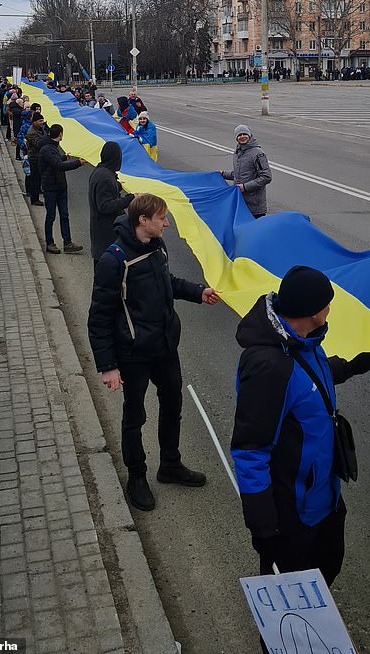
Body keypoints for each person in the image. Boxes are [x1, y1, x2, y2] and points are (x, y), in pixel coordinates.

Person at [231, 266, 370, 588]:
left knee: (326, 569)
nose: (330, 308)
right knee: (290, 600)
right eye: (327, 303)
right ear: (312, 312)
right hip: (292, 514)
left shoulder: (303, 341)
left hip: (323, 497)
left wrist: (351, 367)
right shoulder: (269, 368)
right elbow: (249, 451)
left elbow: (310, 377)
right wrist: (263, 527)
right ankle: (280, 640)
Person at [87, 194, 220, 512]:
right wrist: (107, 365)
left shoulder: (158, 246)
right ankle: (137, 477)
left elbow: (167, 282)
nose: (167, 222)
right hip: (133, 353)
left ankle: (170, 465)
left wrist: (197, 292)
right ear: (142, 221)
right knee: (135, 416)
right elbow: (99, 317)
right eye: (162, 217)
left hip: (164, 345)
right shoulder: (114, 259)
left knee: (173, 404)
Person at [38, 124, 87, 254]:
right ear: (60, 134)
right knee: (51, 216)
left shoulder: (52, 147)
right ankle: (50, 243)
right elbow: (57, 165)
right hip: (50, 188)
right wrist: (78, 163)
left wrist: (64, 157)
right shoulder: (47, 149)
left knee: (64, 215)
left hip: (60, 187)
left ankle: (68, 243)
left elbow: (55, 160)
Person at [88, 141, 135, 264]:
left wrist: (117, 185)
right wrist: (129, 199)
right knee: (104, 272)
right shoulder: (105, 177)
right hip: (106, 234)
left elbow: (102, 191)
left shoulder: (100, 171)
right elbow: (105, 206)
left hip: (101, 232)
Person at [220, 125, 272, 218]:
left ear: (250, 135)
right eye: (239, 135)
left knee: (254, 231)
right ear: (236, 138)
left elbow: (266, 177)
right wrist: (223, 174)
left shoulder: (258, 153)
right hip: (241, 202)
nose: (242, 136)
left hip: (255, 206)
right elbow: (239, 175)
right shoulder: (238, 152)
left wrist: (245, 187)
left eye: (245, 134)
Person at [26, 112, 49, 206]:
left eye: (42, 120)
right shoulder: (31, 132)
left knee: (39, 177)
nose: (42, 122)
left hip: (40, 156)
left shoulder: (40, 129)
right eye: (40, 121)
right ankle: (34, 199)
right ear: (34, 122)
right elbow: (38, 144)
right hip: (34, 157)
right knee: (35, 178)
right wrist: (48, 139)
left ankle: (38, 191)